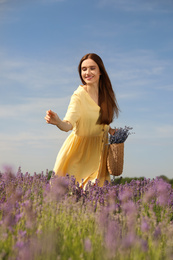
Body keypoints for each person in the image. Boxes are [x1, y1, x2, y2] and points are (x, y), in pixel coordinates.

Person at [45, 53, 120, 187]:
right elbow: (68, 124)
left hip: (100, 154)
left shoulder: (106, 96)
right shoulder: (78, 96)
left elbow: (100, 122)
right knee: (76, 197)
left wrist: (112, 131)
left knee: (98, 202)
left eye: (92, 68)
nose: (87, 72)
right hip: (79, 156)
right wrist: (58, 122)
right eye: (84, 69)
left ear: (100, 71)